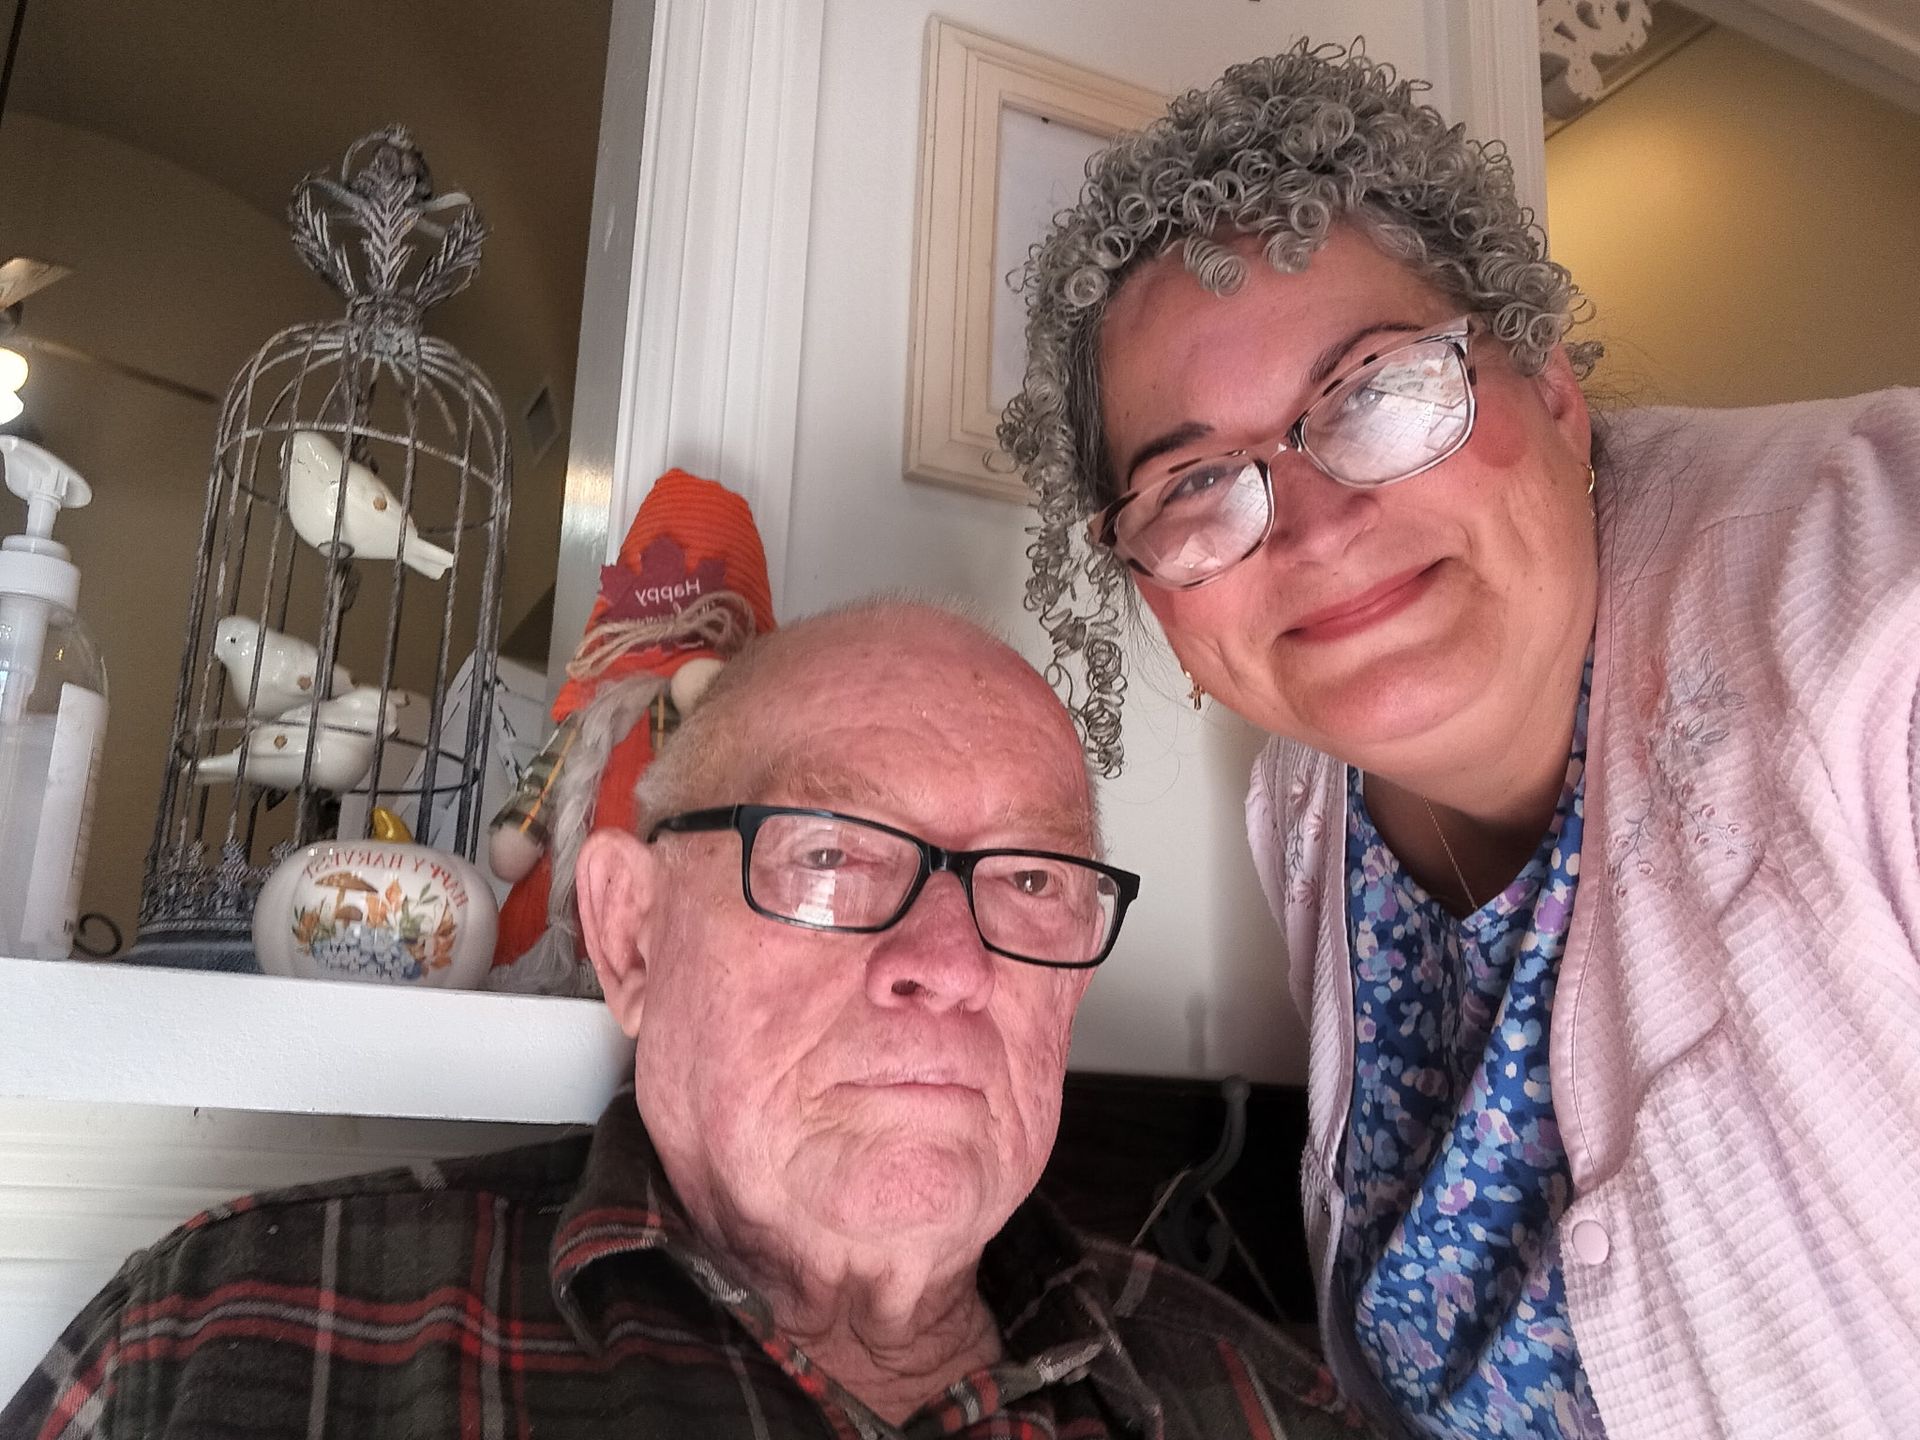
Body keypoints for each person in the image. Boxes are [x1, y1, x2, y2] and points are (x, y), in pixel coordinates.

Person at [1000, 40, 1920, 1440]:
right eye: (1195, 482)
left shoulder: (1865, 592)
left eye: (1376, 390)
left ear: (1552, 387)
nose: (1311, 528)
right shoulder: (1310, 803)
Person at [1, 600, 1363, 1440]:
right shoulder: (225, 1341)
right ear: (632, 935)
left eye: (1027, 880)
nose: (947, 962)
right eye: (830, 856)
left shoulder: (1269, 1406)